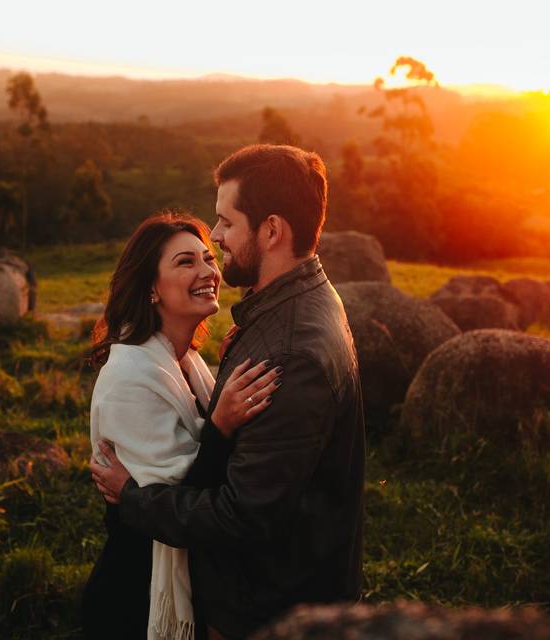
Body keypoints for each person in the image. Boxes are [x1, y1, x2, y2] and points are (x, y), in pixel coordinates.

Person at [91, 144, 366, 639]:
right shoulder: (298, 304)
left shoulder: (288, 349)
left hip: (265, 606)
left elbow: (241, 515)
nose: (216, 239)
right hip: (208, 591)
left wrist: (130, 497)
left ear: (272, 230)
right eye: (188, 257)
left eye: (224, 223)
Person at [81, 212, 281, 640]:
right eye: (185, 262)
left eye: (208, 258)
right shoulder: (130, 377)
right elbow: (181, 499)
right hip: (133, 599)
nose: (208, 271)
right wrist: (221, 427)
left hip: (180, 575)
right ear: (152, 287)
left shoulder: (185, 361)